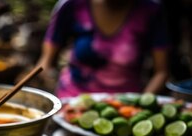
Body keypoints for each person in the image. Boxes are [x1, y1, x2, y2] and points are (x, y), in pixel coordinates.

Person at [37, 0, 170, 97]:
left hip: (124, 105)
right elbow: (45, 62)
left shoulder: (151, 10)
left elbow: (162, 72)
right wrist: (48, 75)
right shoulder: (71, 5)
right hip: (72, 101)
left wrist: (142, 103)